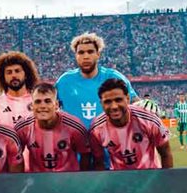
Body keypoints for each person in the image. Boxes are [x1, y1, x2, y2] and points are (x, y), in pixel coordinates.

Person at [56, 32, 138, 169]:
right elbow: (50, 108)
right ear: (76, 56)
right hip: (75, 154)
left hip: (112, 152)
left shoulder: (113, 77)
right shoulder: (64, 81)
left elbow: (134, 102)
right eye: (81, 52)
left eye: (90, 52)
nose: (86, 56)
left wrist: (146, 104)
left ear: (98, 54)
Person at [89, 78, 173, 170]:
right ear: (101, 103)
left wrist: (166, 178)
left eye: (118, 100)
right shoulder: (96, 129)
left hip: (150, 175)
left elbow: (166, 153)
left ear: (128, 98)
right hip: (119, 177)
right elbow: (98, 161)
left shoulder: (150, 119)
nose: (114, 106)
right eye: (107, 102)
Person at [14, 82, 90, 172]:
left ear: (56, 105)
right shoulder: (22, 127)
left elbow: (86, 154)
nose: (42, 106)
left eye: (47, 101)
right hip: (36, 178)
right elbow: (15, 158)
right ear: (32, 105)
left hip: (68, 178)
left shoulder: (75, 127)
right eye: (38, 102)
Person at [0, 51, 39, 127]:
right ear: (3, 77)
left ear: (26, 74)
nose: (13, 75)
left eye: (17, 71)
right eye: (9, 72)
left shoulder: (37, 101)